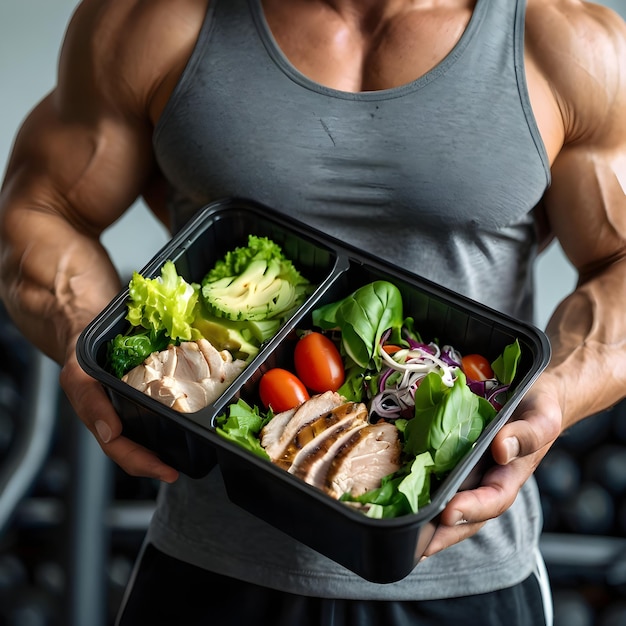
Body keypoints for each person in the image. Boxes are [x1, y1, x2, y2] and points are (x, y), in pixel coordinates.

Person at [1, 0, 625, 623]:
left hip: (467, 577)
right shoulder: (153, 19)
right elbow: (39, 207)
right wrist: (88, 338)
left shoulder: (566, 42)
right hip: (211, 569)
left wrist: (560, 393)